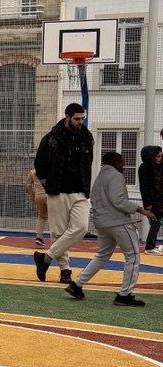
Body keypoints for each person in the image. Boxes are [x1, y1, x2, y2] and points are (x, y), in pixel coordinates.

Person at [64, 152, 156, 307]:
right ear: (114, 162)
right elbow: (119, 201)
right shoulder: (116, 176)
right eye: (121, 162)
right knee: (132, 256)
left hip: (102, 223)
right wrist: (141, 210)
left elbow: (94, 199)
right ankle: (124, 295)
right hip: (118, 222)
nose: (124, 166)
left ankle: (77, 285)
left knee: (102, 256)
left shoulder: (99, 177)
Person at [32, 103, 94, 285]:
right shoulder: (50, 139)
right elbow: (40, 164)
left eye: (82, 118)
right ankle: (65, 271)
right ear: (67, 117)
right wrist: (48, 184)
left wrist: (86, 186)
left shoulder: (88, 138)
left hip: (80, 192)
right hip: (57, 191)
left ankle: (45, 259)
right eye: (77, 118)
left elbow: (88, 163)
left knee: (81, 227)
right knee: (58, 233)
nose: (80, 122)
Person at [137, 145, 163, 253]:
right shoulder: (144, 168)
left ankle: (151, 246)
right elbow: (144, 187)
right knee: (155, 223)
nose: (160, 158)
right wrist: (147, 203)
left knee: (155, 223)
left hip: (160, 198)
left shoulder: (159, 166)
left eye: (161, 156)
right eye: (158, 156)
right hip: (153, 201)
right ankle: (150, 246)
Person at [22, 164, 48, 248]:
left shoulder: (33, 172)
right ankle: (57, 237)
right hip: (50, 195)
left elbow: (27, 185)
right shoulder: (52, 169)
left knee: (41, 216)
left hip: (38, 196)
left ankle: (39, 236)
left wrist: (32, 195)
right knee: (55, 216)